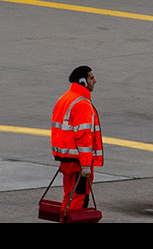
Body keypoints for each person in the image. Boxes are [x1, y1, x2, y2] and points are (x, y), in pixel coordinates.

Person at [50, 65, 102, 212]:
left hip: (65, 159)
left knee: (68, 195)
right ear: (82, 82)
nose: (95, 81)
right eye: (91, 78)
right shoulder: (82, 104)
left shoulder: (65, 98)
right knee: (79, 198)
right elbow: (83, 137)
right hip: (78, 161)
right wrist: (86, 165)